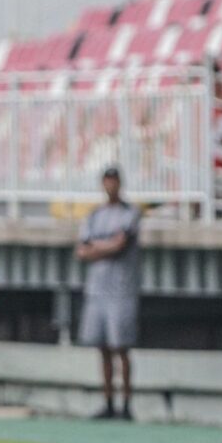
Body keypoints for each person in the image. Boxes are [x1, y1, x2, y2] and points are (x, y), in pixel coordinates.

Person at [76, 167, 142, 421]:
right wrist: (106, 246)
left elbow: (119, 245)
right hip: (97, 290)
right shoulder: (94, 215)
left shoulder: (130, 213)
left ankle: (126, 404)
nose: (110, 186)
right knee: (102, 347)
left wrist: (96, 247)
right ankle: (107, 401)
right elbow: (81, 250)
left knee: (121, 347)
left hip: (122, 289)